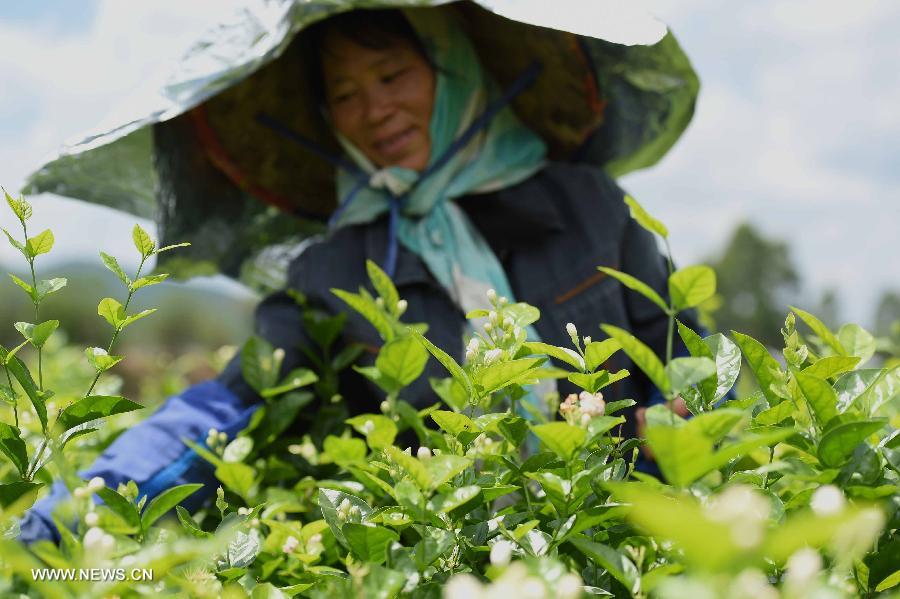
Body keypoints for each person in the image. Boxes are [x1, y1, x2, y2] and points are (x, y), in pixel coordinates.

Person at [18, 8, 696, 544]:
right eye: (344, 94)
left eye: (392, 74)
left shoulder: (588, 209)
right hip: (449, 557)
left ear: (457, 67)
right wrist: (66, 517)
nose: (374, 111)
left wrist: (657, 429)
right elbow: (225, 410)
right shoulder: (335, 273)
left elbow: (686, 367)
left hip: (623, 538)